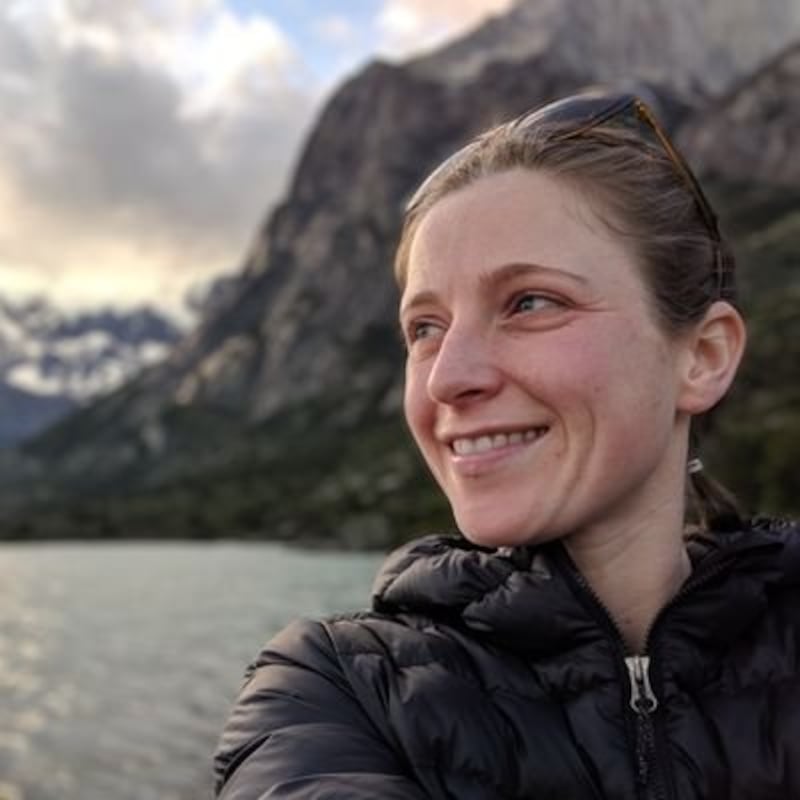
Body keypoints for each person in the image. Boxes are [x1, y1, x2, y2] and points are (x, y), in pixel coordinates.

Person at [213, 89, 800, 799]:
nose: (447, 380)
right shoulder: (334, 691)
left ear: (702, 356)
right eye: (425, 328)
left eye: (530, 303)